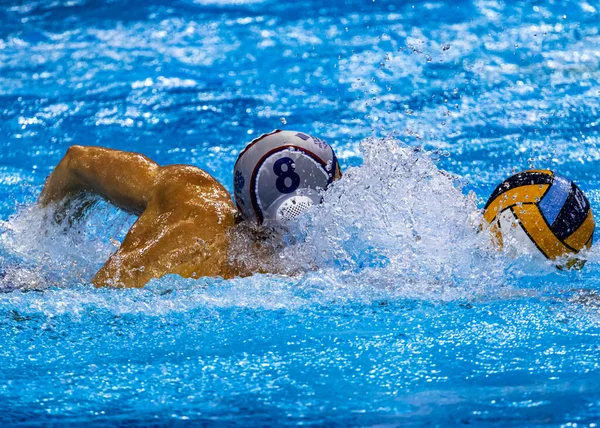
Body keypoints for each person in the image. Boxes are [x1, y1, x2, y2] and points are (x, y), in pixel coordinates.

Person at [38, 130, 341, 288]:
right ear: (303, 206)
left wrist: (46, 243)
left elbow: (75, 162)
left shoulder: (189, 192)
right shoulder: (280, 278)